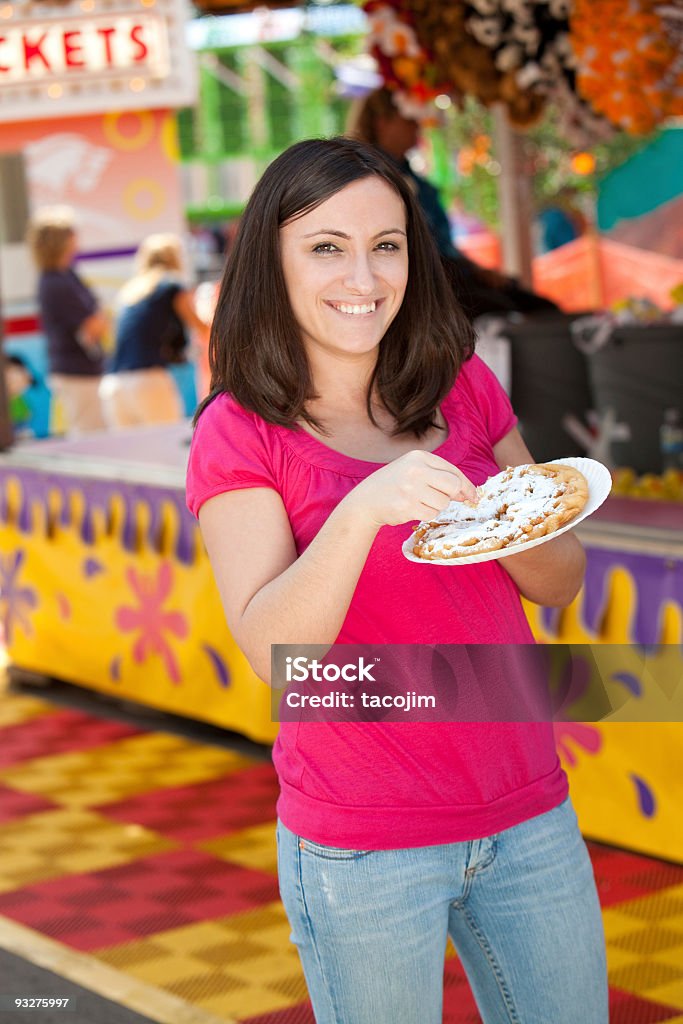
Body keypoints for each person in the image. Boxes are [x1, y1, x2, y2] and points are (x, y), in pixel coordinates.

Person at [186, 137, 608, 1024]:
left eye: (386, 245)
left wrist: (502, 520)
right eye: (325, 246)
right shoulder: (239, 430)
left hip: (529, 816)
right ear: (272, 261)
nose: (363, 275)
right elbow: (276, 654)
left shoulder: (459, 386)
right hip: (362, 850)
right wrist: (363, 509)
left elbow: (560, 580)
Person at [348, 87, 559, 319]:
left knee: (537, 308)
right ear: (382, 123)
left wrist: (476, 271)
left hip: (449, 275)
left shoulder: (408, 175)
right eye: (408, 120)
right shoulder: (371, 178)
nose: (418, 127)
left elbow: (440, 242)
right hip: (424, 284)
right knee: (505, 315)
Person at [99, 234, 209, 429]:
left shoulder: (131, 291)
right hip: (148, 381)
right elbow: (200, 327)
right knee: (167, 444)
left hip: (114, 384)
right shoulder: (171, 287)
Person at [27, 207, 107, 434]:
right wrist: (100, 319)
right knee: (90, 433)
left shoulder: (63, 275)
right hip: (76, 370)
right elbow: (92, 325)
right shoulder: (56, 282)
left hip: (78, 367)